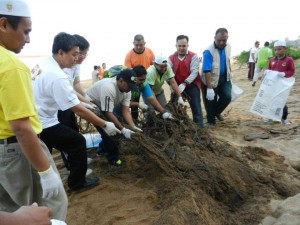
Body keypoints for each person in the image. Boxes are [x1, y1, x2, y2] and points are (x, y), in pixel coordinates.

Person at [0, 0, 67, 220]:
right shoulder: (11, 65)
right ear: (4, 25)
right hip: (17, 152)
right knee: (46, 209)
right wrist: (45, 171)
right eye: (26, 31)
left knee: (9, 210)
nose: (28, 39)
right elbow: (20, 127)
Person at [32, 32, 120, 192]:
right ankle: (77, 183)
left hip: (37, 119)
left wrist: (85, 101)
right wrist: (104, 124)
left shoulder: (44, 64)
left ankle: (41, 184)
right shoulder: (57, 76)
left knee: (46, 151)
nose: (76, 58)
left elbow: (71, 97)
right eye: (74, 54)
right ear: (60, 52)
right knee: (77, 142)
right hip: (44, 122)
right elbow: (75, 108)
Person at [86, 68, 143, 167]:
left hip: (105, 107)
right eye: (129, 86)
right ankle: (113, 159)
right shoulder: (109, 87)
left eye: (132, 86)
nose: (130, 89)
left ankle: (102, 150)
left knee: (114, 128)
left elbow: (125, 111)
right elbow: (107, 113)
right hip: (91, 107)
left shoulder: (127, 90)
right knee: (111, 132)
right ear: (121, 80)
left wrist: (132, 126)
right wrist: (123, 129)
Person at [168, 35, 204, 128]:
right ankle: (178, 128)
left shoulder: (194, 56)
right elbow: (168, 74)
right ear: (176, 45)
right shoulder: (171, 58)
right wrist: (173, 86)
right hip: (177, 87)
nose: (181, 48)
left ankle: (200, 130)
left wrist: (185, 83)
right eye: (179, 46)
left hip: (192, 86)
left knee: (196, 108)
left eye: (184, 46)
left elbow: (194, 72)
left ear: (187, 45)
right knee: (175, 108)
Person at [201, 28, 232, 126]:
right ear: (215, 37)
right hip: (211, 79)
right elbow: (207, 70)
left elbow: (227, 61)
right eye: (219, 40)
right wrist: (209, 88)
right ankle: (211, 121)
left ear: (227, 38)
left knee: (227, 97)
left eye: (224, 40)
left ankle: (216, 113)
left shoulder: (228, 47)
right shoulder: (208, 51)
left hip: (224, 77)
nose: (222, 42)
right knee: (211, 101)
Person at [264, 40, 295, 125]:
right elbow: (269, 69)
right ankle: (269, 117)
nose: (277, 51)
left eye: (279, 49)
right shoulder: (272, 60)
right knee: (270, 100)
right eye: (275, 50)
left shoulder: (289, 60)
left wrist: (284, 73)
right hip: (273, 84)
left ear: (285, 49)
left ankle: (283, 118)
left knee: (281, 101)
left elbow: (291, 71)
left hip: (283, 85)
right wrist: (267, 72)